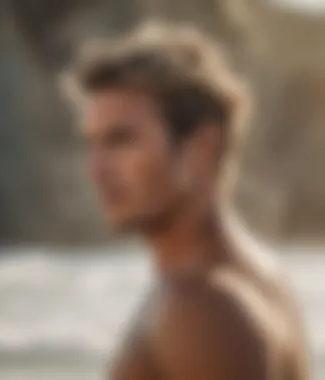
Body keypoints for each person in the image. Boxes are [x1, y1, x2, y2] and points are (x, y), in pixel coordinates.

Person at [74, 22, 308, 380]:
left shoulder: (197, 306)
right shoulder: (263, 276)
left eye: (121, 140)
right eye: (93, 144)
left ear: (201, 147)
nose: (97, 170)